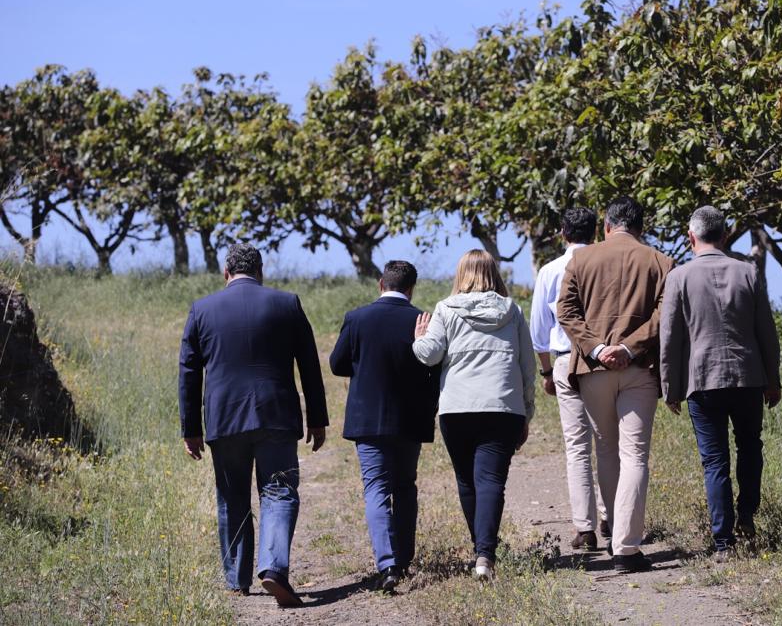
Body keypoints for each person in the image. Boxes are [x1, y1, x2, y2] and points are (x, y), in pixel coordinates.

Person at [178, 243, 328, 607]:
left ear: (225, 273)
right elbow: (309, 363)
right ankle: (274, 567)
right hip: (276, 415)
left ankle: (237, 579)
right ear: (261, 272)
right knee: (278, 491)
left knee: (232, 496)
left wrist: (191, 427)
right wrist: (318, 418)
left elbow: (188, 371)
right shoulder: (287, 303)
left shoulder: (202, 309)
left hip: (224, 418)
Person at [558, 197, 674, 574]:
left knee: (606, 450)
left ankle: (615, 539)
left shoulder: (581, 259)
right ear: (641, 227)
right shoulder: (660, 262)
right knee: (635, 454)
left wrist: (597, 348)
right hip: (640, 368)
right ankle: (626, 546)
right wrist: (628, 347)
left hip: (593, 369)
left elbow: (566, 312)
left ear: (607, 226)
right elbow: (665, 315)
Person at [658, 206, 782, 562]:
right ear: (725, 236)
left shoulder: (678, 277)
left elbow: (670, 338)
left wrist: (671, 386)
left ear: (690, 236)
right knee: (750, 447)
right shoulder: (748, 271)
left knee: (714, 461)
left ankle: (723, 543)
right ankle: (746, 513)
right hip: (747, 377)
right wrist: (772, 380)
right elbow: (766, 333)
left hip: (702, 380)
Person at [411, 250, 535, 581]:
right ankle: (485, 556)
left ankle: (481, 551)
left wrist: (418, 340)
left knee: (467, 481)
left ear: (461, 274)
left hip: (457, 408)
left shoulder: (445, 309)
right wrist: (527, 412)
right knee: (491, 480)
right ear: (494, 273)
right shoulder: (514, 311)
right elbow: (527, 367)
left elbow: (429, 355)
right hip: (503, 407)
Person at [329, 261, 440, 594]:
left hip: (369, 420)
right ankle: (404, 560)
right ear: (411, 288)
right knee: (405, 487)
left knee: (376, 489)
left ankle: (387, 563)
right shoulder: (422, 320)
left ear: (381, 284)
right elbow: (434, 369)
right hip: (410, 419)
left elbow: (337, 364)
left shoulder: (357, 318)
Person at [529, 207, 608, 551]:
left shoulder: (549, 271)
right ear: (597, 231)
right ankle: (612, 518)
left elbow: (538, 330)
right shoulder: (605, 264)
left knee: (577, 446)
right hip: (603, 358)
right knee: (607, 441)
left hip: (564, 359)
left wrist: (546, 372)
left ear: (562, 233)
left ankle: (585, 527)